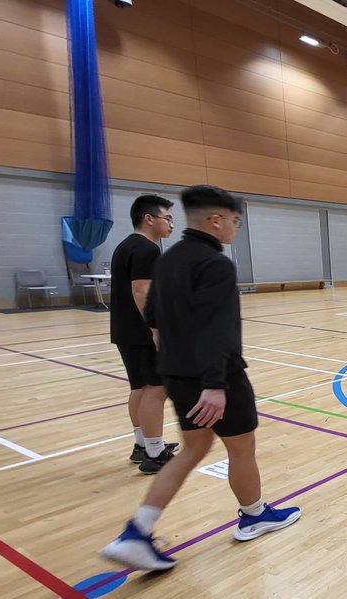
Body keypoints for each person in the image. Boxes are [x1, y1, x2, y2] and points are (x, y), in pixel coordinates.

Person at [100, 185, 300, 572]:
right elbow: (216, 329)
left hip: (175, 373)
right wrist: (214, 384)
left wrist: (166, 342)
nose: (235, 229)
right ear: (216, 220)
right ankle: (254, 515)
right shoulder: (216, 264)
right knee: (241, 449)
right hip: (215, 376)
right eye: (235, 222)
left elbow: (153, 311)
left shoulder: (169, 257)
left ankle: (137, 532)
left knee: (193, 449)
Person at [109, 194, 178, 473]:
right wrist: (156, 327)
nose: (172, 224)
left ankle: (143, 445)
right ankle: (154, 454)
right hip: (142, 332)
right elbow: (142, 291)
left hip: (125, 331)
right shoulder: (147, 249)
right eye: (168, 218)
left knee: (138, 388)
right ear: (149, 219)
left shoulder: (125, 246)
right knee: (156, 390)